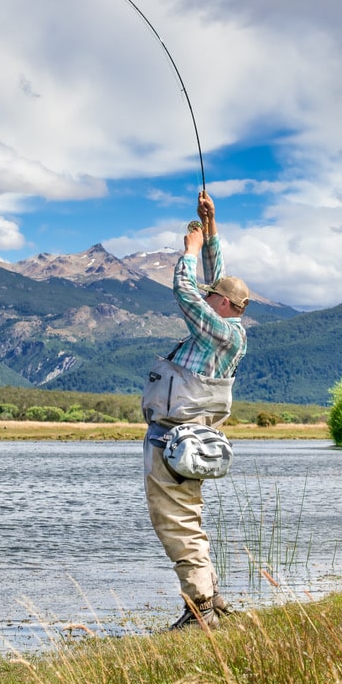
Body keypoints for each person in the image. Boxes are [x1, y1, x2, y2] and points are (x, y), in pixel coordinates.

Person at [141, 190, 250, 630]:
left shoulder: (221, 332)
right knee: (189, 517)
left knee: (175, 522)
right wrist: (210, 230)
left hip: (175, 440)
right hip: (183, 440)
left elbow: (187, 293)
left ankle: (201, 608)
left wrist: (188, 252)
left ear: (224, 307)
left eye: (214, 300)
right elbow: (213, 284)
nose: (208, 301)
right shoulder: (227, 325)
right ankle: (211, 597)